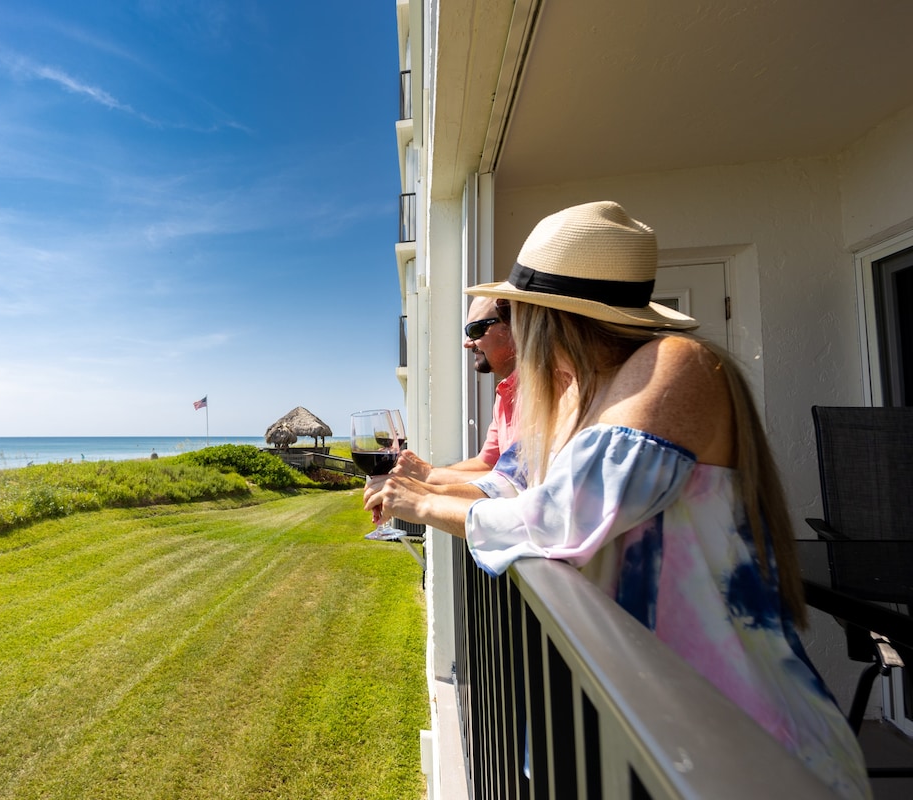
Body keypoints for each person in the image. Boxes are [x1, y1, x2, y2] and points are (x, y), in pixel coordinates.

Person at [365, 201, 870, 798]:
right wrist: (415, 486)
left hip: (744, 745)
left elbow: (561, 518)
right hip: (654, 728)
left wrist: (422, 506)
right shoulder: (588, 392)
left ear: (543, 314)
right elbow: (514, 482)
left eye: (511, 311)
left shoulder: (674, 363)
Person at [392, 296, 519, 484]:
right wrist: (423, 473)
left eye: (475, 330)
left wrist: (427, 477)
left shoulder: (548, 391)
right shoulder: (505, 393)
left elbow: (519, 480)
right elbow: (486, 464)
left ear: (513, 328)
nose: (467, 342)